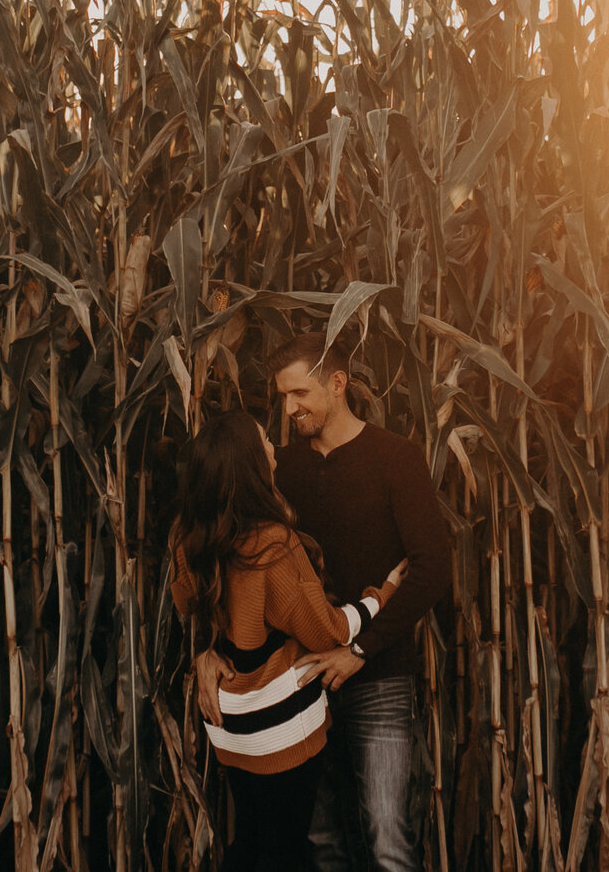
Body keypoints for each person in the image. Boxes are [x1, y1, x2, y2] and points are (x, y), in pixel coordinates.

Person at [238, 333, 454, 872]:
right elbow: (239, 562)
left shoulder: (395, 459)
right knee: (319, 839)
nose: (288, 409)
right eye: (283, 397)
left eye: (298, 394)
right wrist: (215, 650)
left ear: (337, 384)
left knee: (387, 834)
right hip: (301, 680)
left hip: (379, 675)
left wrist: (359, 650)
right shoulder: (281, 468)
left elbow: (431, 568)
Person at [170, 410, 404, 872]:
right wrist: (382, 595)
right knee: (285, 854)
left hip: (231, 723)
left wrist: (209, 650)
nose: (275, 451)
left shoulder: (191, 537)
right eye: (264, 443)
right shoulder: (274, 545)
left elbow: (189, 605)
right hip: (281, 727)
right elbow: (327, 632)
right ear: (249, 464)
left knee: (250, 841)